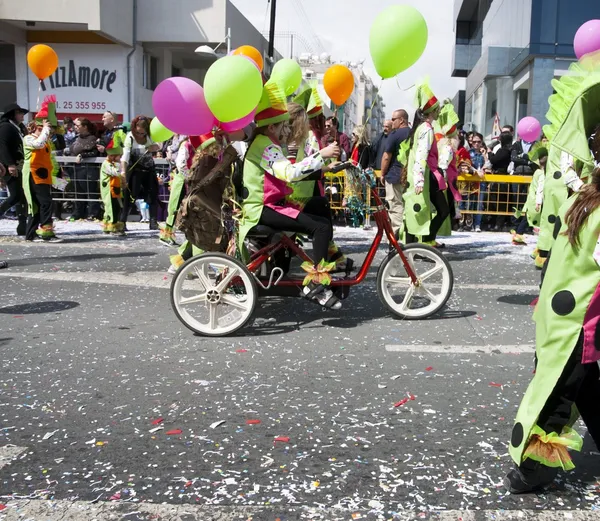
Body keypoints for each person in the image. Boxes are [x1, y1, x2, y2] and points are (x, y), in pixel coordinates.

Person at [506, 166, 600, 494]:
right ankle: (533, 472)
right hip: (578, 325)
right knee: (559, 399)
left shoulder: (581, 200)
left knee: (584, 386)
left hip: (556, 318)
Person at [240, 80, 342, 309]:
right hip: (262, 210)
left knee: (320, 206)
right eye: (282, 125)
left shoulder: (266, 142)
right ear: (270, 127)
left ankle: (325, 260)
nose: (286, 129)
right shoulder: (266, 145)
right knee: (320, 227)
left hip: (273, 203)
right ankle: (316, 284)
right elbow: (290, 173)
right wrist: (322, 155)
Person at [403, 80, 449, 247]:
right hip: (426, 175)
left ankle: (419, 244)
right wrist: (420, 179)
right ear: (433, 110)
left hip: (426, 174)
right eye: (437, 109)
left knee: (418, 210)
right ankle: (423, 244)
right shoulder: (427, 129)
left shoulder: (422, 127)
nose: (439, 111)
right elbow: (421, 155)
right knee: (422, 210)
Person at [22, 96, 61, 242]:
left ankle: (31, 234)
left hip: (44, 176)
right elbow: (38, 144)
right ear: (34, 127)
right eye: (40, 128)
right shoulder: (29, 139)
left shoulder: (46, 141)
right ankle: (45, 231)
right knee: (43, 203)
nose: (44, 131)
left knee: (41, 204)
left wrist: (57, 174)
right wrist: (45, 128)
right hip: (33, 175)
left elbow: (50, 158)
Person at [120, 115, 161, 230]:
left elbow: (159, 144)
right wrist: (123, 172)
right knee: (130, 196)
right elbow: (125, 156)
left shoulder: (150, 136)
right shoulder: (130, 137)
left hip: (149, 170)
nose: (140, 135)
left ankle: (153, 221)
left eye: (142, 133)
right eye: (138, 133)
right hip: (135, 171)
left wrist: (154, 147)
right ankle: (122, 221)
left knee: (153, 195)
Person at [159, 135, 198, 247]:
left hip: (189, 181)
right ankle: (166, 235)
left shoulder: (196, 145)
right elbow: (180, 164)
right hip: (181, 180)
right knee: (174, 207)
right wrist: (189, 176)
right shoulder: (186, 145)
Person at [380, 109, 410, 240]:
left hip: (395, 175)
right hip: (412, 177)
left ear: (401, 120)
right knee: (408, 207)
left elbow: (386, 156)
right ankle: (408, 237)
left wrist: (382, 174)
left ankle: (396, 239)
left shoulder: (395, 134)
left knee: (396, 206)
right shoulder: (414, 133)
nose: (392, 123)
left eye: (393, 119)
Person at [64, 118, 101, 220]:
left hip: (88, 169)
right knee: (78, 192)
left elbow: (94, 153)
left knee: (90, 191)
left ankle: (93, 213)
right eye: (75, 125)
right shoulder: (76, 138)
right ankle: (78, 213)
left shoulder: (92, 139)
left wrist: (83, 155)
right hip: (75, 168)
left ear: (85, 127)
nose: (75, 127)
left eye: (77, 125)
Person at [0, 103, 28, 235]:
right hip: (10, 166)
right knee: (16, 195)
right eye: (19, 113)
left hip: (21, 166)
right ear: (13, 114)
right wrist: (10, 164)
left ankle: (22, 225)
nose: (22, 115)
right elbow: (3, 146)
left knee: (22, 197)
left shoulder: (19, 128)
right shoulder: (6, 127)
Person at [512, 145, 548, 247]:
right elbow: (540, 187)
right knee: (529, 219)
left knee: (527, 218)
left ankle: (518, 234)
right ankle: (518, 235)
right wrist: (539, 202)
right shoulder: (542, 174)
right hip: (537, 200)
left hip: (531, 199)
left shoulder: (536, 171)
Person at [435, 102, 462, 234]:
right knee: (444, 210)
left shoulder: (444, 147)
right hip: (446, 183)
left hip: (446, 181)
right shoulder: (448, 148)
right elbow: (443, 165)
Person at [99, 137, 126, 236]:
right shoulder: (107, 164)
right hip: (109, 190)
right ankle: (112, 226)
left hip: (115, 189)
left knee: (116, 207)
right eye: (118, 156)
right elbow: (115, 172)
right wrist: (119, 164)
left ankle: (109, 225)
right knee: (111, 208)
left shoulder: (112, 163)